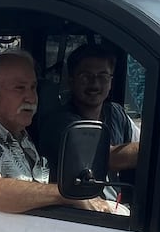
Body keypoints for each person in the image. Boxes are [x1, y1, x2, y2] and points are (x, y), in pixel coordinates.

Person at [0, 48, 113, 215]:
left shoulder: (19, 133)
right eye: (20, 88)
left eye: (33, 87)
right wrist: (66, 194)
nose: (31, 97)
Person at [39, 43, 139, 175]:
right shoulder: (61, 123)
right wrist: (157, 147)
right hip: (75, 196)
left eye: (102, 77)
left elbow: (138, 140)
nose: (95, 84)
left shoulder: (115, 113)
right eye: (86, 76)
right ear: (71, 81)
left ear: (111, 82)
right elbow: (106, 158)